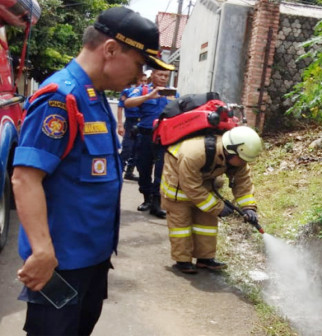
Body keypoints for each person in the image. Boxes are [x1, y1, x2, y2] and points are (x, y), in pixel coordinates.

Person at [11, 7, 174, 336]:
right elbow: (25, 178)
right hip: (60, 264)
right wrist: (42, 251)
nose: (142, 76)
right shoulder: (61, 98)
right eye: (141, 64)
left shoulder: (94, 96)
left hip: (92, 260)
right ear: (111, 49)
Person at [160, 125, 263, 274]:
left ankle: (205, 259)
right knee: (181, 226)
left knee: (207, 223)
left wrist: (249, 207)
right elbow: (190, 186)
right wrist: (218, 207)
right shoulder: (195, 153)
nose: (243, 163)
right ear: (231, 150)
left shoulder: (237, 158)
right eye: (241, 159)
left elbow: (243, 183)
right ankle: (183, 261)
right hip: (177, 185)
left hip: (202, 181)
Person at [125, 69, 179, 218]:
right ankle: (146, 199)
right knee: (143, 169)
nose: (163, 78)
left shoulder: (173, 93)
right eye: (160, 75)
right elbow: (127, 103)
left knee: (162, 170)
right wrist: (148, 96)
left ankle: (157, 202)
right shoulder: (142, 90)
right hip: (145, 136)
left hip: (165, 138)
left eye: (166, 76)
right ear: (152, 75)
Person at [117, 73, 148, 181]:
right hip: (130, 122)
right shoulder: (128, 91)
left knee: (137, 149)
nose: (143, 83)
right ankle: (119, 171)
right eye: (141, 81)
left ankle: (129, 172)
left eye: (145, 81)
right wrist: (120, 125)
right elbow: (120, 107)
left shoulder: (147, 92)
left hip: (141, 122)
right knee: (127, 148)